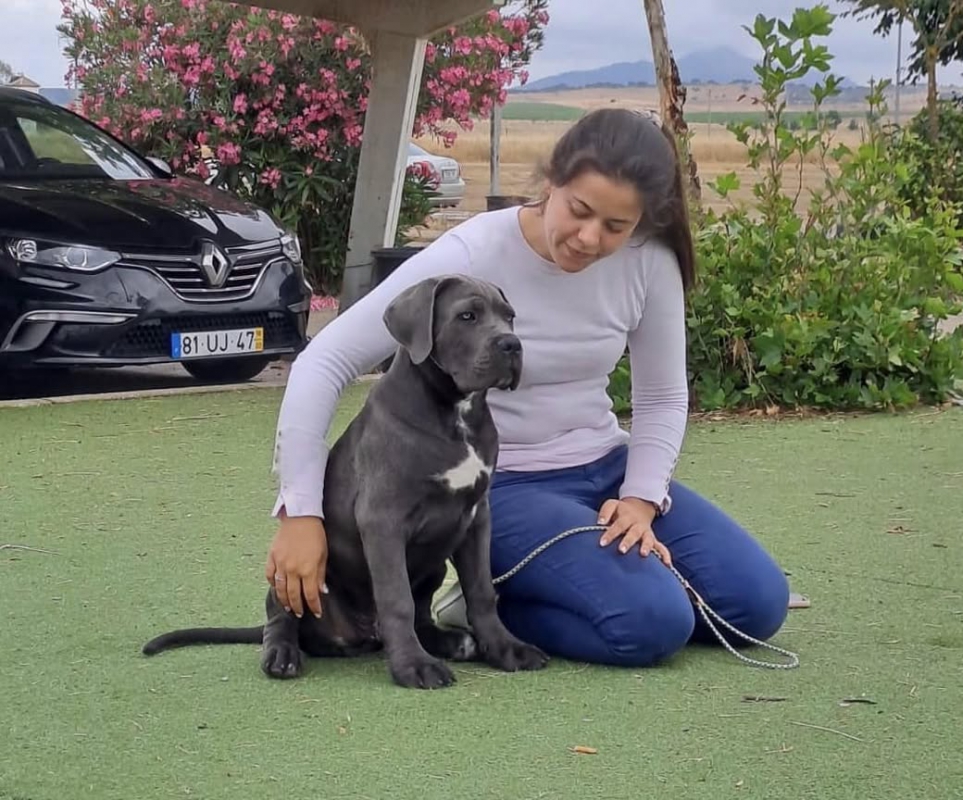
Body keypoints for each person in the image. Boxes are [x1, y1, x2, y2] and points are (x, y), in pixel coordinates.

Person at [265, 107, 791, 668]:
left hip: (602, 468)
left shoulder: (649, 262)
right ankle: (479, 608)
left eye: (617, 227)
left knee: (755, 605)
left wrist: (639, 498)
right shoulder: (473, 253)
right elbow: (324, 360)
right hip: (505, 486)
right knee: (652, 624)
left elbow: (661, 398)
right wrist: (301, 511)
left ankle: (589, 584)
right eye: (579, 211)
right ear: (552, 182)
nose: (590, 238)